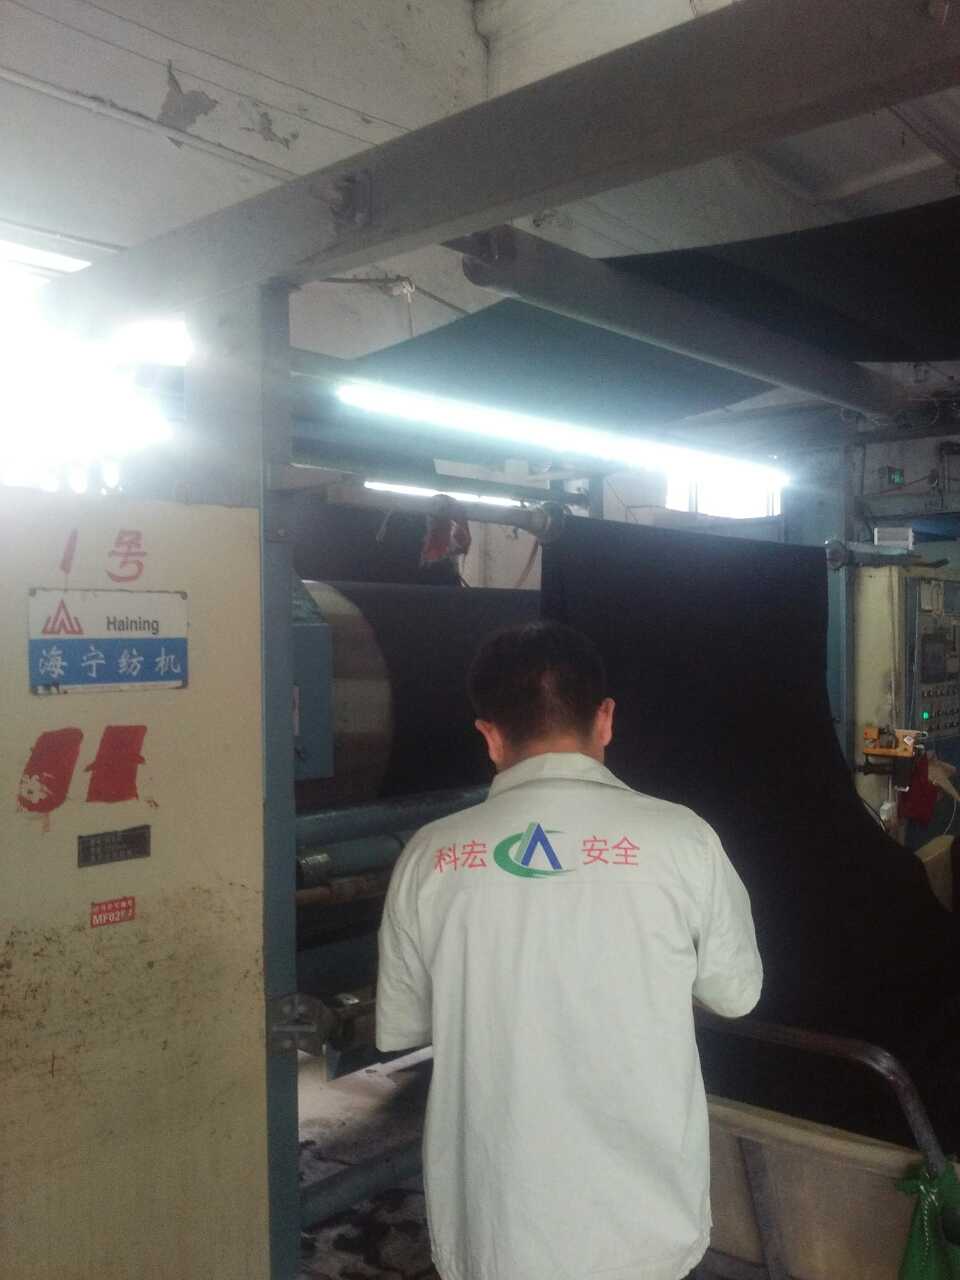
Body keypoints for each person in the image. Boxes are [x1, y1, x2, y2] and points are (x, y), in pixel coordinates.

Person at [376, 622, 763, 1280]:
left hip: (495, 1225)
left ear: (490, 735)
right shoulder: (683, 840)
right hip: (645, 1225)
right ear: (605, 719)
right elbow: (736, 994)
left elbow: (403, 1027)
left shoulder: (431, 855)